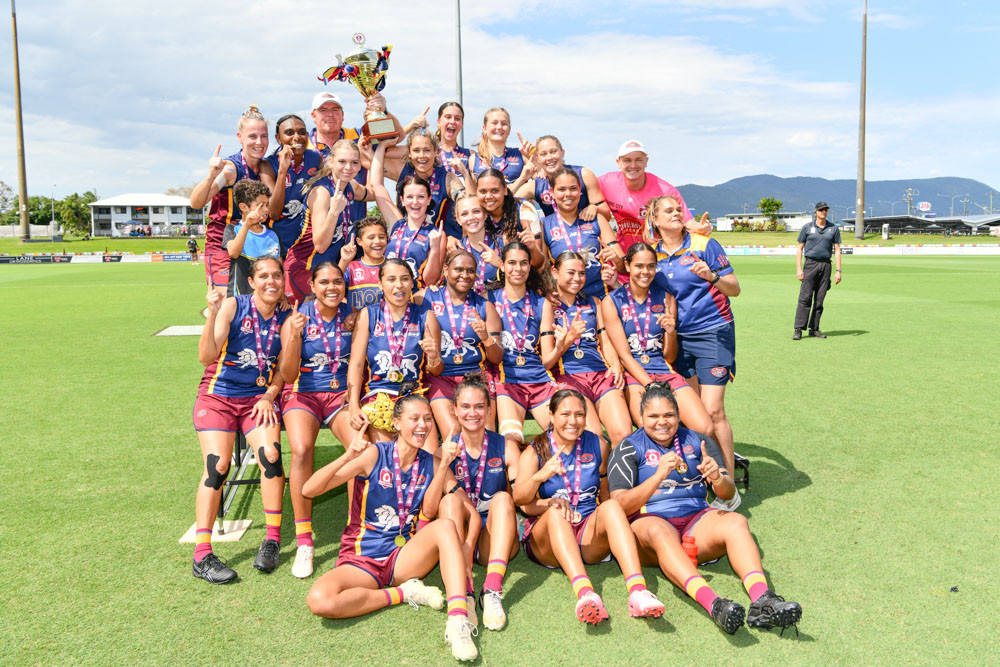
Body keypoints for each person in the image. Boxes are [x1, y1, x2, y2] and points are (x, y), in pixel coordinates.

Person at [607, 383, 802, 634]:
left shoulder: (698, 440)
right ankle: (714, 604)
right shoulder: (627, 447)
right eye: (653, 416)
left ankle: (763, 600)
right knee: (659, 532)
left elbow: (728, 493)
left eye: (669, 415)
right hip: (649, 526)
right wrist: (657, 477)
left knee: (736, 522)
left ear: (678, 415)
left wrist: (718, 478)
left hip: (695, 521)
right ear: (641, 417)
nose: (662, 422)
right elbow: (619, 505)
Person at [302, 396, 479, 662]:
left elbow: (435, 511)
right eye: (415, 418)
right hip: (362, 559)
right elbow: (309, 490)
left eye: (428, 419)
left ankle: (457, 622)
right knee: (320, 600)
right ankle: (404, 593)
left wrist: (443, 466)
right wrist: (349, 454)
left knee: (445, 526)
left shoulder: (430, 462)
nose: (423, 425)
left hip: (403, 557)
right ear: (396, 423)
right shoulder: (374, 454)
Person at [512, 389, 666, 624]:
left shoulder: (597, 444)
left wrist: (612, 525)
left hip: (585, 532)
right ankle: (585, 593)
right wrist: (540, 479)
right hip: (547, 541)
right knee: (556, 513)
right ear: (551, 415)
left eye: (579, 414)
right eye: (565, 414)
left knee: (613, 506)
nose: (573, 421)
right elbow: (522, 502)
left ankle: (638, 591)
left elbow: (605, 493)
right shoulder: (537, 449)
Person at [190, 257, 289, 584]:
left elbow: (285, 373)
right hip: (218, 397)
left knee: (271, 457)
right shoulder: (233, 306)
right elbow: (206, 357)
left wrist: (269, 395)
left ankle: (272, 540)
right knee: (217, 465)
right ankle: (202, 555)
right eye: (263, 276)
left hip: (257, 401)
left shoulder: (287, 316)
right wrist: (213, 315)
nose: (271, 281)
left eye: (277, 275)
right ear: (251, 281)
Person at [646, 195, 742, 510]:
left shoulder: (703, 244)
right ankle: (702, 475)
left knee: (713, 410)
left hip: (713, 331)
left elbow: (734, 287)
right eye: (668, 211)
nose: (676, 214)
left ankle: (727, 483)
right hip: (676, 339)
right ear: (655, 219)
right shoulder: (653, 252)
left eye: (678, 209)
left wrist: (711, 276)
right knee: (695, 415)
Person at [278, 261, 358, 578]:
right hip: (303, 394)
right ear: (312, 286)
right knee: (300, 449)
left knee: (359, 449)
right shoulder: (297, 319)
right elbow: (287, 374)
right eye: (324, 282)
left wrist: (353, 396)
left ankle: (354, 535)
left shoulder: (353, 317)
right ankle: (304, 541)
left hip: (340, 396)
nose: (331, 288)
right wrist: (295, 336)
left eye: (337, 282)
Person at [436, 374, 521, 631]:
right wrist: (443, 463)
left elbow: (522, 496)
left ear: (489, 409)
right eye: (465, 406)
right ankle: (467, 592)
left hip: (494, 539)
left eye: (479, 406)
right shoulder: (444, 451)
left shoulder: (505, 446)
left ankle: (492, 589)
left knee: (504, 498)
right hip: (459, 539)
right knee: (450, 503)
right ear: (454, 409)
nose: (472, 413)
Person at [603, 242, 713, 433]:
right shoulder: (612, 301)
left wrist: (671, 333)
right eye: (639, 266)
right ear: (628, 266)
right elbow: (624, 355)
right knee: (651, 427)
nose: (645, 272)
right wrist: (651, 385)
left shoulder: (666, 298)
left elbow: (669, 357)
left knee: (705, 427)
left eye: (651, 266)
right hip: (634, 375)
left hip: (664, 371)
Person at [540, 251, 633, 451]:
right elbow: (546, 362)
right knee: (594, 438)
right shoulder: (547, 305)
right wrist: (568, 339)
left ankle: (622, 482)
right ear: (555, 273)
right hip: (568, 377)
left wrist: (616, 364)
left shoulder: (594, 302)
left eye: (581, 273)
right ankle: (599, 481)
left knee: (623, 435)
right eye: (571, 272)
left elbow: (606, 341)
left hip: (601, 374)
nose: (577, 278)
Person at [346, 259, 443, 447]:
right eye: (391, 279)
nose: (399, 285)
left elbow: (436, 370)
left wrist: (433, 356)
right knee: (385, 457)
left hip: (413, 395)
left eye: (405, 279)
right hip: (377, 394)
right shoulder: (368, 315)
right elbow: (356, 365)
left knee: (429, 459)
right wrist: (353, 407)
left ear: (412, 284)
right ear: (380, 284)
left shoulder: (426, 316)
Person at [419, 250, 504, 437]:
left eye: (470, 271)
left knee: (484, 435)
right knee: (454, 433)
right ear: (446, 269)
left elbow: (497, 357)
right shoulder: (425, 298)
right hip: (441, 377)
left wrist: (486, 338)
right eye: (458, 269)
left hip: (476, 376)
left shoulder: (485, 306)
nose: (465, 275)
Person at [598, 139, 707, 283]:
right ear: (618, 162)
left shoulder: (664, 189)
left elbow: (686, 221)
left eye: (638, 160)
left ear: (646, 161)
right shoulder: (606, 182)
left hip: (656, 260)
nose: (633, 165)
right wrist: (593, 207)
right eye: (627, 160)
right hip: (623, 259)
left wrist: (701, 227)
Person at [487, 242, 559, 450]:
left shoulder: (542, 303)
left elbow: (546, 359)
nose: (517, 269)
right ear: (501, 265)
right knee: (511, 440)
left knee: (563, 433)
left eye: (523, 263)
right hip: (507, 381)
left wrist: (562, 344)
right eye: (511, 263)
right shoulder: (488, 299)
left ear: (530, 267)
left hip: (539, 380)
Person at [190, 105, 268, 295]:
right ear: (240, 137)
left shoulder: (266, 169)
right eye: (252, 136)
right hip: (222, 247)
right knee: (225, 305)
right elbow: (196, 203)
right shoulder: (231, 169)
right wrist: (210, 176)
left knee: (249, 306)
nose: (259, 142)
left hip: (249, 245)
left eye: (263, 136)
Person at [283, 140, 366, 303]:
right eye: (342, 161)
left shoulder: (349, 186)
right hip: (304, 270)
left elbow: (373, 191)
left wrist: (378, 153)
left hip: (325, 272)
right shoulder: (322, 192)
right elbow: (320, 245)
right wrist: (334, 212)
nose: (348, 168)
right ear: (331, 162)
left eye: (354, 162)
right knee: (305, 326)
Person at [308, 91, 403, 224]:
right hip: (312, 231)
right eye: (323, 110)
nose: (330, 114)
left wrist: (382, 112)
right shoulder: (303, 146)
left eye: (335, 110)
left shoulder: (358, 136)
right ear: (313, 115)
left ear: (343, 115)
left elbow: (396, 136)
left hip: (355, 230)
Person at [370, 141, 445, 287]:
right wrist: (381, 146)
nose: (415, 202)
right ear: (402, 201)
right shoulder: (396, 224)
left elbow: (430, 281)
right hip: (388, 295)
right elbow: (377, 184)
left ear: (429, 200)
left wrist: (435, 248)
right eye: (410, 197)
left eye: (421, 197)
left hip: (415, 300)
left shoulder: (437, 235)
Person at [539, 167, 622, 299]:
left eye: (573, 188)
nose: (568, 194)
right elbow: (542, 268)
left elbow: (623, 266)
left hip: (601, 297)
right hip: (564, 302)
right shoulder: (544, 225)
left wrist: (616, 260)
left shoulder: (597, 219)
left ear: (579, 191)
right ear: (552, 193)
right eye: (561, 189)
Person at [376, 130, 467, 236]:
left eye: (427, 150)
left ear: (436, 152)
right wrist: (383, 145)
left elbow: (467, 204)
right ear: (409, 153)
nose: (422, 155)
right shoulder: (403, 171)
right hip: (404, 240)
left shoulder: (447, 178)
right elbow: (368, 159)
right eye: (416, 150)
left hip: (438, 243)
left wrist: (465, 174)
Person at [260, 114, 324, 258]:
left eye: (302, 132)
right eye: (289, 133)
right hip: (279, 242)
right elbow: (274, 214)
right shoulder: (268, 165)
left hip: (308, 241)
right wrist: (283, 171)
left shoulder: (315, 158)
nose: (297, 137)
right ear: (278, 138)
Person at [515, 135, 604, 219]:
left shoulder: (583, 174)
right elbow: (504, 202)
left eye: (553, 152)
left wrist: (596, 208)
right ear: (537, 159)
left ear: (562, 153)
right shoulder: (537, 185)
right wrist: (521, 179)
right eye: (543, 154)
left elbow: (606, 213)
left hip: (585, 233)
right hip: (555, 233)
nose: (549, 157)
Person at [473, 168, 544, 266]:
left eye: (495, 190)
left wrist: (533, 248)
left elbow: (538, 263)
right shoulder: (473, 212)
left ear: (505, 190)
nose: (488, 196)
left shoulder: (524, 209)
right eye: (483, 191)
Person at [222, 180, 281, 297]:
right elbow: (234, 252)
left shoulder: (272, 234)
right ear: (244, 207)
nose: (266, 210)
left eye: (267, 205)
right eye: (260, 205)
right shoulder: (232, 229)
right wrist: (247, 225)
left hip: (267, 298)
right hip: (240, 298)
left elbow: (279, 268)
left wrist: (281, 294)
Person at [793, 202, 842, 340]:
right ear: (815, 211)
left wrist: (838, 270)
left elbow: (837, 249)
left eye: (826, 209)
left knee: (819, 300)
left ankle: (814, 328)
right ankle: (798, 329)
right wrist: (799, 269)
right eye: (821, 209)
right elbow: (799, 248)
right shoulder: (807, 227)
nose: (823, 212)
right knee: (805, 297)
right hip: (810, 265)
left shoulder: (833, 228)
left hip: (826, 265)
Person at [448, 193, 503, 295]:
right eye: (464, 214)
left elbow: (520, 277)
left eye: (476, 211)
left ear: (485, 214)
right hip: (468, 307)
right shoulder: (455, 249)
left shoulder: (502, 242)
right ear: (458, 220)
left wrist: (500, 263)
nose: (471, 217)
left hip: (500, 307)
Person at [467, 108, 533, 189]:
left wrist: (534, 156)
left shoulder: (521, 155)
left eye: (504, 123)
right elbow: (472, 194)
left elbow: (542, 183)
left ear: (509, 129)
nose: (499, 127)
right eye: (494, 123)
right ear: (484, 128)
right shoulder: (474, 159)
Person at [340, 216, 388, 312]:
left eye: (381, 237)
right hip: (357, 324)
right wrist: (344, 260)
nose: (377, 241)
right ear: (359, 241)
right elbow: (333, 285)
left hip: (386, 324)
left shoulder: (393, 267)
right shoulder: (351, 267)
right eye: (371, 237)